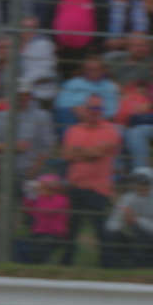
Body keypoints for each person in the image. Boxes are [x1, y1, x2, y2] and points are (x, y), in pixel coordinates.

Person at [59, 97, 123, 264]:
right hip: (76, 186)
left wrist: (79, 152)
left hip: (98, 188)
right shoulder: (73, 130)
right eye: (91, 109)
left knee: (101, 230)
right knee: (71, 230)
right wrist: (90, 153)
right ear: (85, 110)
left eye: (97, 109)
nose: (94, 112)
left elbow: (99, 153)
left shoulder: (110, 130)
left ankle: (107, 266)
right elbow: (66, 155)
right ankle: (66, 264)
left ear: (102, 111)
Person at [101, 167, 153, 267]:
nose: (141, 186)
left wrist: (137, 220)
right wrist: (123, 220)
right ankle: (112, 268)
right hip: (134, 237)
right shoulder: (128, 198)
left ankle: (140, 266)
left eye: (145, 183)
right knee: (110, 235)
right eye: (137, 182)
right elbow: (112, 224)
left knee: (140, 234)